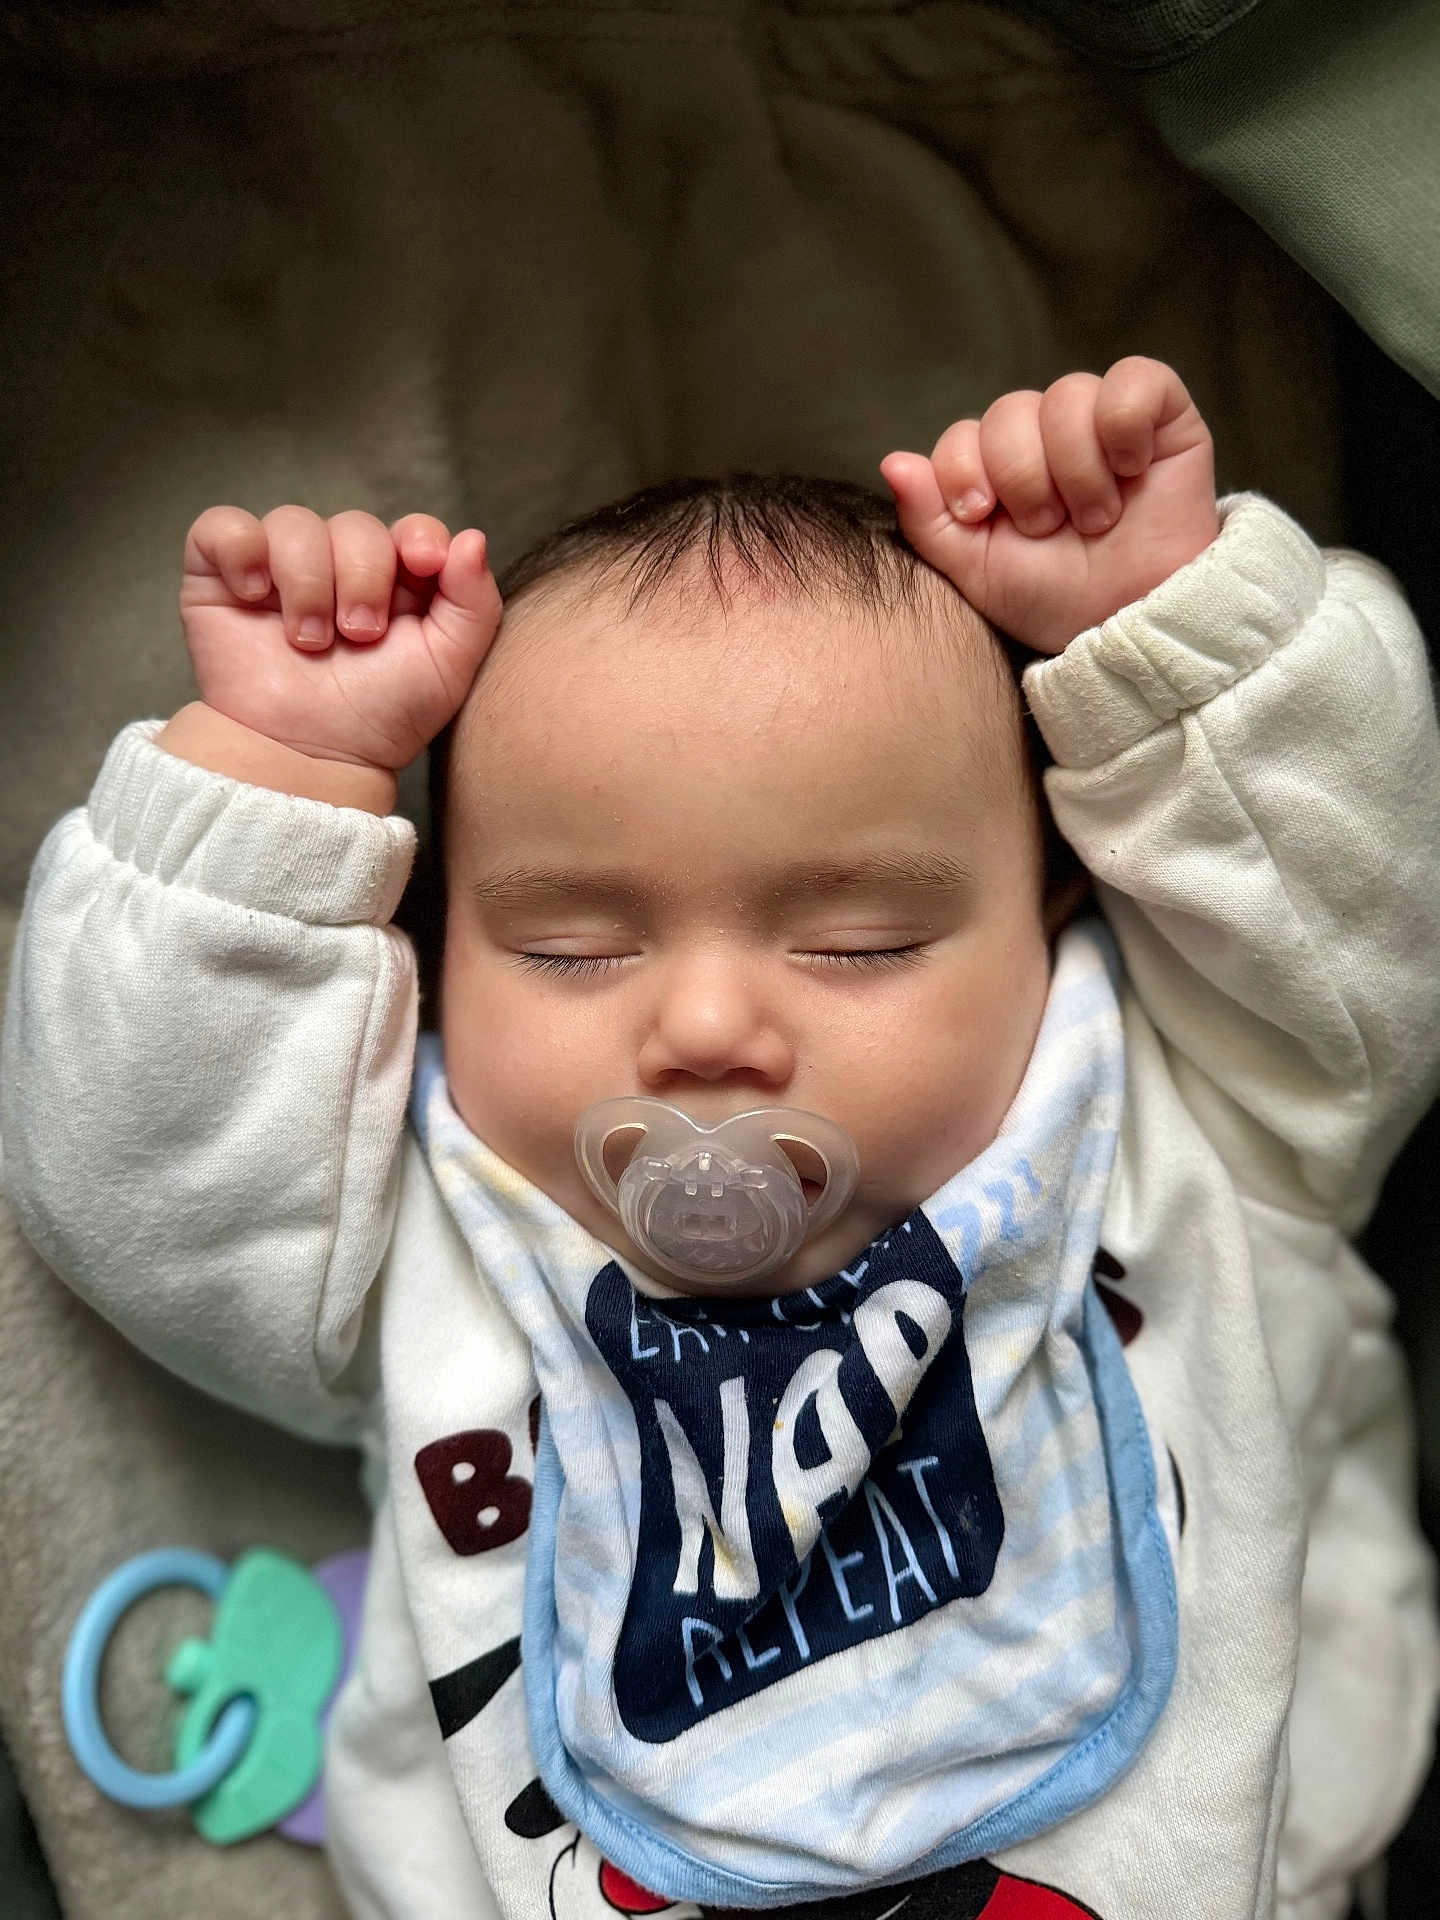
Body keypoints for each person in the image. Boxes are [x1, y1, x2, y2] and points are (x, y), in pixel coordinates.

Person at [3, 358, 1438, 1920]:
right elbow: (143, 1186)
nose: (700, 1029)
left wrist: (1168, 642)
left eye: (861, 939)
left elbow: (1357, 905)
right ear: (431, 957)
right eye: (568, 947)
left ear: (1056, 907)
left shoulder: (1198, 1099)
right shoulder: (427, 1213)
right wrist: (280, 786)